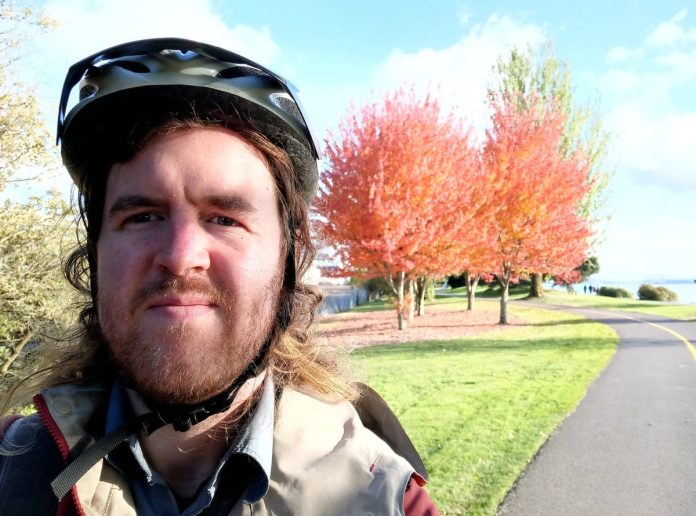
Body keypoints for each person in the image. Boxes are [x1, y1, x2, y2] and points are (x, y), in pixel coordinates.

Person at [0, 38, 437, 515]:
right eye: (142, 216)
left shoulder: (386, 499)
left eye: (225, 219)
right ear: (96, 255)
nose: (180, 256)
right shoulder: (12, 469)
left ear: (288, 263)